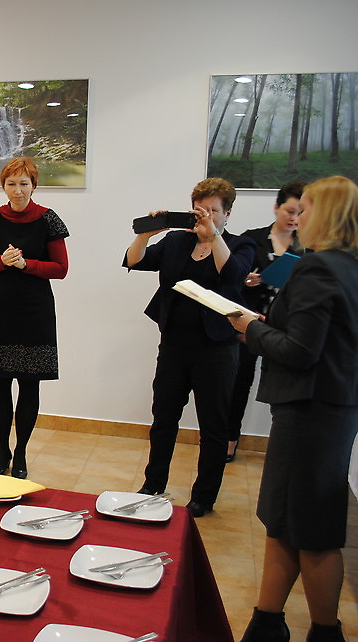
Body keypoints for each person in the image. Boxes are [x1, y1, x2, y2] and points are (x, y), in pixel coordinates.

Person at [229, 176, 358, 642]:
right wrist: (268, 325)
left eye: (306, 209)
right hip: (329, 409)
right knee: (283, 522)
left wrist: (251, 328)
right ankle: (267, 621)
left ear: (327, 214)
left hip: (310, 413)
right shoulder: (347, 266)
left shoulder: (316, 268)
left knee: (313, 532)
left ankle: (325, 632)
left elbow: (301, 351)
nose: (298, 217)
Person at [123, 177, 255, 517]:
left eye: (214, 211)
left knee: (213, 426)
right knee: (163, 418)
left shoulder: (241, 245)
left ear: (227, 214)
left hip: (217, 349)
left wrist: (214, 237)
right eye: (200, 209)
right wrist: (145, 234)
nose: (205, 216)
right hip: (174, 345)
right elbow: (135, 261)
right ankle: (153, 484)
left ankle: (204, 496)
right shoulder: (176, 241)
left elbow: (233, 275)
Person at [0, 156, 69, 480]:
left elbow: (61, 269)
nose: (18, 190)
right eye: (11, 184)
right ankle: (2, 453)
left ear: (33, 185)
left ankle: (22, 452)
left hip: (35, 309)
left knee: (29, 384)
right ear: (4, 186)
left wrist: (27, 265)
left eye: (24, 183)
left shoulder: (48, 219)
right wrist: (2, 261)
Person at [226, 182, 305, 462]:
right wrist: (244, 280)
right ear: (276, 208)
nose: (294, 218)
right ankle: (230, 439)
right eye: (289, 211)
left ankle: (284, 446)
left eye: (301, 212)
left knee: (287, 387)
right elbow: (230, 277)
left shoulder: (308, 246)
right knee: (239, 382)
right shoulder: (252, 239)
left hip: (287, 327)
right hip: (249, 324)